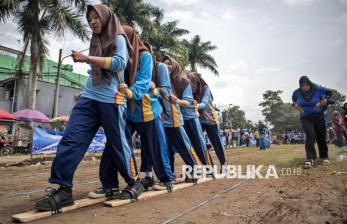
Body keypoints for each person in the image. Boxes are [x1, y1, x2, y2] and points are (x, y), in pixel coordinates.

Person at [35, 4, 143, 212]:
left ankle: (134, 181)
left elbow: (120, 63)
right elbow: (95, 69)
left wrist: (87, 58)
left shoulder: (119, 38)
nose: (93, 21)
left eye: (97, 17)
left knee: (119, 144)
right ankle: (63, 189)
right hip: (88, 98)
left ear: (107, 18)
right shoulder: (96, 40)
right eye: (90, 18)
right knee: (71, 139)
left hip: (111, 100)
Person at [118, 26, 175, 191]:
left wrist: (152, 87)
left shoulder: (154, 64)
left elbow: (165, 90)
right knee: (118, 143)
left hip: (150, 110)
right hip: (130, 112)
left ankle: (166, 178)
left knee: (156, 146)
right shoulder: (123, 59)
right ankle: (114, 183)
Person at [163, 56, 214, 169]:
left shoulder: (184, 81)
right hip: (176, 120)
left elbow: (187, 102)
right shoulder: (164, 81)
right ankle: (189, 170)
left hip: (189, 118)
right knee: (177, 147)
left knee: (199, 145)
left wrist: (177, 101)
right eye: (164, 64)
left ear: (175, 65)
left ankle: (210, 168)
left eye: (169, 63)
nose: (167, 66)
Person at [186, 72, 227, 166]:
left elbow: (204, 104)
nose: (190, 85)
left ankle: (224, 164)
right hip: (198, 120)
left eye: (192, 82)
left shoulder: (206, 89)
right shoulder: (187, 91)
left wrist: (192, 105)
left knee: (217, 144)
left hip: (211, 120)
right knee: (197, 143)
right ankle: (210, 164)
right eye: (188, 82)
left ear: (197, 81)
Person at [292, 76, 332, 168]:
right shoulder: (296, 92)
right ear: (300, 85)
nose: (305, 87)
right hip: (305, 117)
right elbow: (294, 99)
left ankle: (324, 156)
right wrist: (295, 104)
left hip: (319, 116)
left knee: (321, 136)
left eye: (306, 85)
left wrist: (324, 100)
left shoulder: (318, 89)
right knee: (310, 135)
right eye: (302, 85)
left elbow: (329, 92)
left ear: (309, 84)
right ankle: (310, 158)